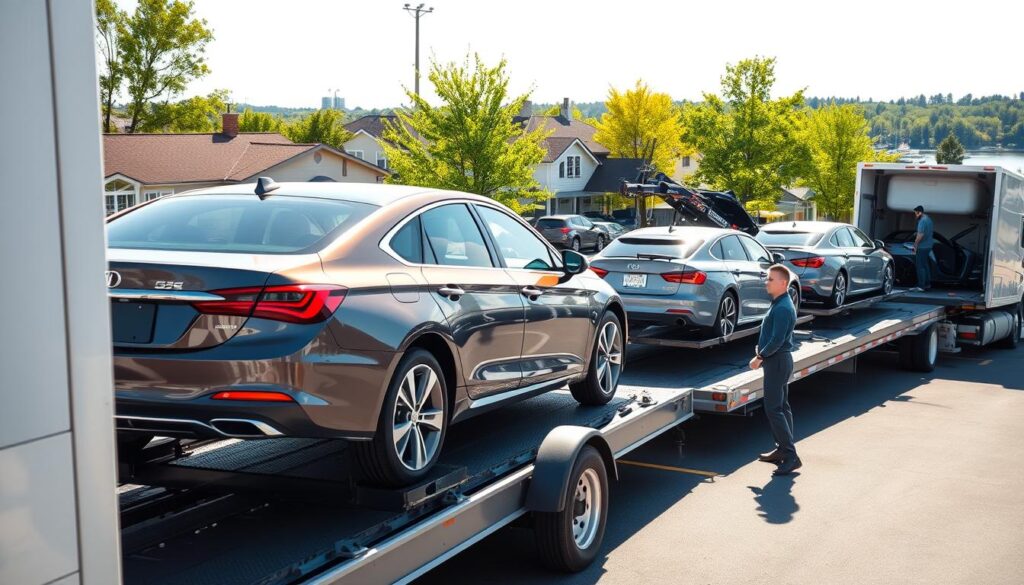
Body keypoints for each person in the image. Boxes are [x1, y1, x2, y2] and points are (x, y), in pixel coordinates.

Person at [749, 264, 801, 476]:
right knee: (781, 406)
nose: (766, 282)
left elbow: (777, 340)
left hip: (776, 361)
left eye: (770, 279)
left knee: (774, 408)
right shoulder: (781, 302)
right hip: (778, 360)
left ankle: (790, 456)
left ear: (782, 283)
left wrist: (759, 357)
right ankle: (782, 449)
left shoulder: (782, 307)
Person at [912, 205, 934, 290]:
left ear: (920, 212)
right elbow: (925, 232)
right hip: (928, 246)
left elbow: (921, 235)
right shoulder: (929, 219)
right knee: (925, 265)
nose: (915, 215)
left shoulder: (922, 221)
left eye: (916, 213)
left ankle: (921, 286)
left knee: (920, 266)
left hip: (922, 246)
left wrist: (915, 245)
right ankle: (927, 284)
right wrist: (916, 233)